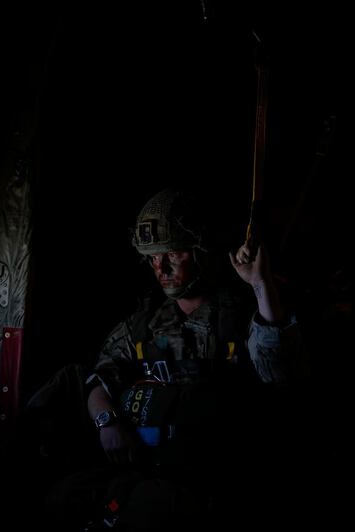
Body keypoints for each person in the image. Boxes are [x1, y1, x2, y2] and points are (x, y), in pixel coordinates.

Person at [76, 187, 303, 529]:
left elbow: (279, 374)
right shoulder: (146, 322)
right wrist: (107, 421)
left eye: (174, 254)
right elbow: (99, 377)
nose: (161, 267)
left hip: (221, 480)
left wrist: (260, 285)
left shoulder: (237, 315)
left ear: (201, 252)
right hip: (150, 468)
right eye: (153, 258)